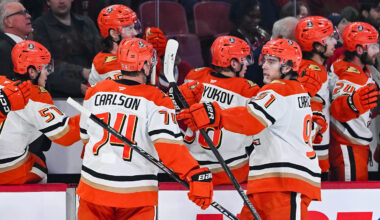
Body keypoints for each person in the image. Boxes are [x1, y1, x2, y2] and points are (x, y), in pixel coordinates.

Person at [178, 38, 321, 219]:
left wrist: (215, 115)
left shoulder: (279, 90)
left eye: (271, 62)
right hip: (267, 183)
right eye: (264, 60)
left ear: (287, 67)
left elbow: (251, 120)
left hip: (286, 183)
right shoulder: (295, 91)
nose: (263, 66)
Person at [76, 38, 213, 219]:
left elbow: (85, 136)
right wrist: (193, 173)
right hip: (135, 194)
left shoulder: (96, 91)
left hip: (93, 188)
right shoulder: (156, 99)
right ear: (146, 65)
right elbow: (169, 147)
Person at [181, 36, 259, 185]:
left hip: (193, 170)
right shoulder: (248, 89)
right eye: (244, 60)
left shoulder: (195, 76)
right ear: (234, 63)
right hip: (234, 171)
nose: (247, 64)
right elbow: (254, 132)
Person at [0, 40, 80, 184]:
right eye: (45, 68)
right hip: (7, 170)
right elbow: (66, 135)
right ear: (31, 71)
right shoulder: (36, 94)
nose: (48, 73)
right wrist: (92, 116)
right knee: (40, 166)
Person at [329, 22, 379, 181]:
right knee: (352, 200)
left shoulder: (359, 68)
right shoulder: (348, 75)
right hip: (348, 146)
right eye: (372, 47)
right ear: (359, 50)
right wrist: (353, 102)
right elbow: (337, 109)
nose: (377, 51)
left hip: (356, 146)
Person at [295, 16, 338, 180]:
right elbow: (311, 112)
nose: (335, 42)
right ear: (318, 46)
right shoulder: (313, 71)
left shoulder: (312, 67)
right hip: (314, 150)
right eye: (330, 38)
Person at [33, 0, 101, 97]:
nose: (61, 1)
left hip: (94, 88)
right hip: (60, 94)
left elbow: (101, 55)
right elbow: (46, 65)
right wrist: (81, 73)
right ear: (48, 2)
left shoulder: (86, 23)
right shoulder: (40, 26)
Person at [88, 4, 139, 86]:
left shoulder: (131, 54)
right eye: (129, 28)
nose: (135, 33)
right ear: (114, 34)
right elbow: (134, 91)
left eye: (134, 27)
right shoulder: (104, 63)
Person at [143, 26, 192, 92]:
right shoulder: (151, 79)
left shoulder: (185, 68)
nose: (176, 55)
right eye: (170, 53)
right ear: (159, 59)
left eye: (175, 51)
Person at [0, 0, 32, 78]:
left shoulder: (31, 46)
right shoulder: (2, 50)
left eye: (26, 12)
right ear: (8, 22)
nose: (28, 16)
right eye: (22, 13)